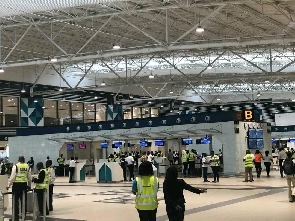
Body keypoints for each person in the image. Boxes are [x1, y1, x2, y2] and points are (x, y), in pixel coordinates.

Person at [7, 156, 31, 221]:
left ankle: (15, 218)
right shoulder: (27, 166)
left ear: (18, 160)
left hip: (16, 185)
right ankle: (23, 217)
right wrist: (29, 185)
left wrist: (8, 185)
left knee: (15, 202)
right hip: (24, 185)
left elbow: (12, 177)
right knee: (24, 201)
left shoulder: (16, 166)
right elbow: (29, 177)